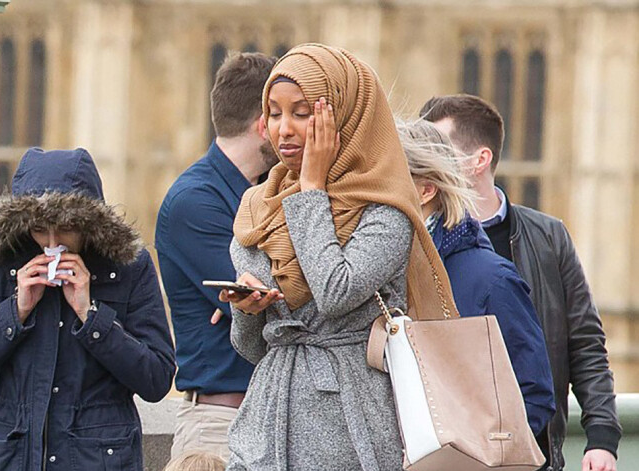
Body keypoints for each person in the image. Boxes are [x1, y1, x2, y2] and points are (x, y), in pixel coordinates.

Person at [221, 43, 444, 471]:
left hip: (350, 418)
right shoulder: (258, 207)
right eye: (273, 112)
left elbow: (335, 291)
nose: (283, 129)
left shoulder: (385, 209)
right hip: (266, 422)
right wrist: (248, 309)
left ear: (342, 115)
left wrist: (311, 188)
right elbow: (251, 347)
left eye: (302, 113)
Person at [420, 94, 622, 471]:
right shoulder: (416, 245)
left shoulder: (547, 237)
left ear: (479, 161)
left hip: (533, 451)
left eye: (437, 150)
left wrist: (602, 438)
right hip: (446, 453)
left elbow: (584, 342)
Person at [0, 147, 175, 471]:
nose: (53, 241)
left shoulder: (129, 265)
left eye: (67, 227)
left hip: (97, 459)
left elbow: (156, 378)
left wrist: (91, 316)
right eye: (40, 228)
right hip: (9, 458)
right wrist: (15, 312)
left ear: (89, 220)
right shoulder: (0, 265)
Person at [396, 118, 555, 437]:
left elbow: (533, 394)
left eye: (387, 178)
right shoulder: (372, 274)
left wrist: (472, 455)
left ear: (426, 190)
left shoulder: (492, 280)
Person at [155, 52, 277, 460]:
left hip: (272, 420)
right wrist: (257, 296)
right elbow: (269, 306)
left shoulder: (267, 193)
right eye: (283, 116)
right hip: (219, 428)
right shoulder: (196, 202)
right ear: (264, 124)